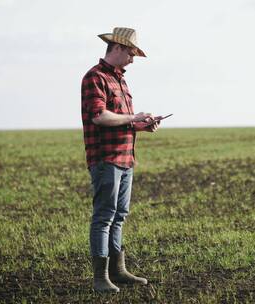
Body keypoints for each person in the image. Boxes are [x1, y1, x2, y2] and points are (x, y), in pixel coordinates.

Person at [81, 27, 159, 293]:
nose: (133, 59)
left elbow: (121, 122)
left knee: (119, 216)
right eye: (131, 53)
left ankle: (118, 271)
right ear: (117, 48)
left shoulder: (121, 81)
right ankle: (101, 278)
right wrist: (132, 118)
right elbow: (99, 117)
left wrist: (141, 125)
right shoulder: (95, 77)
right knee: (104, 217)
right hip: (106, 159)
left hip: (126, 159)